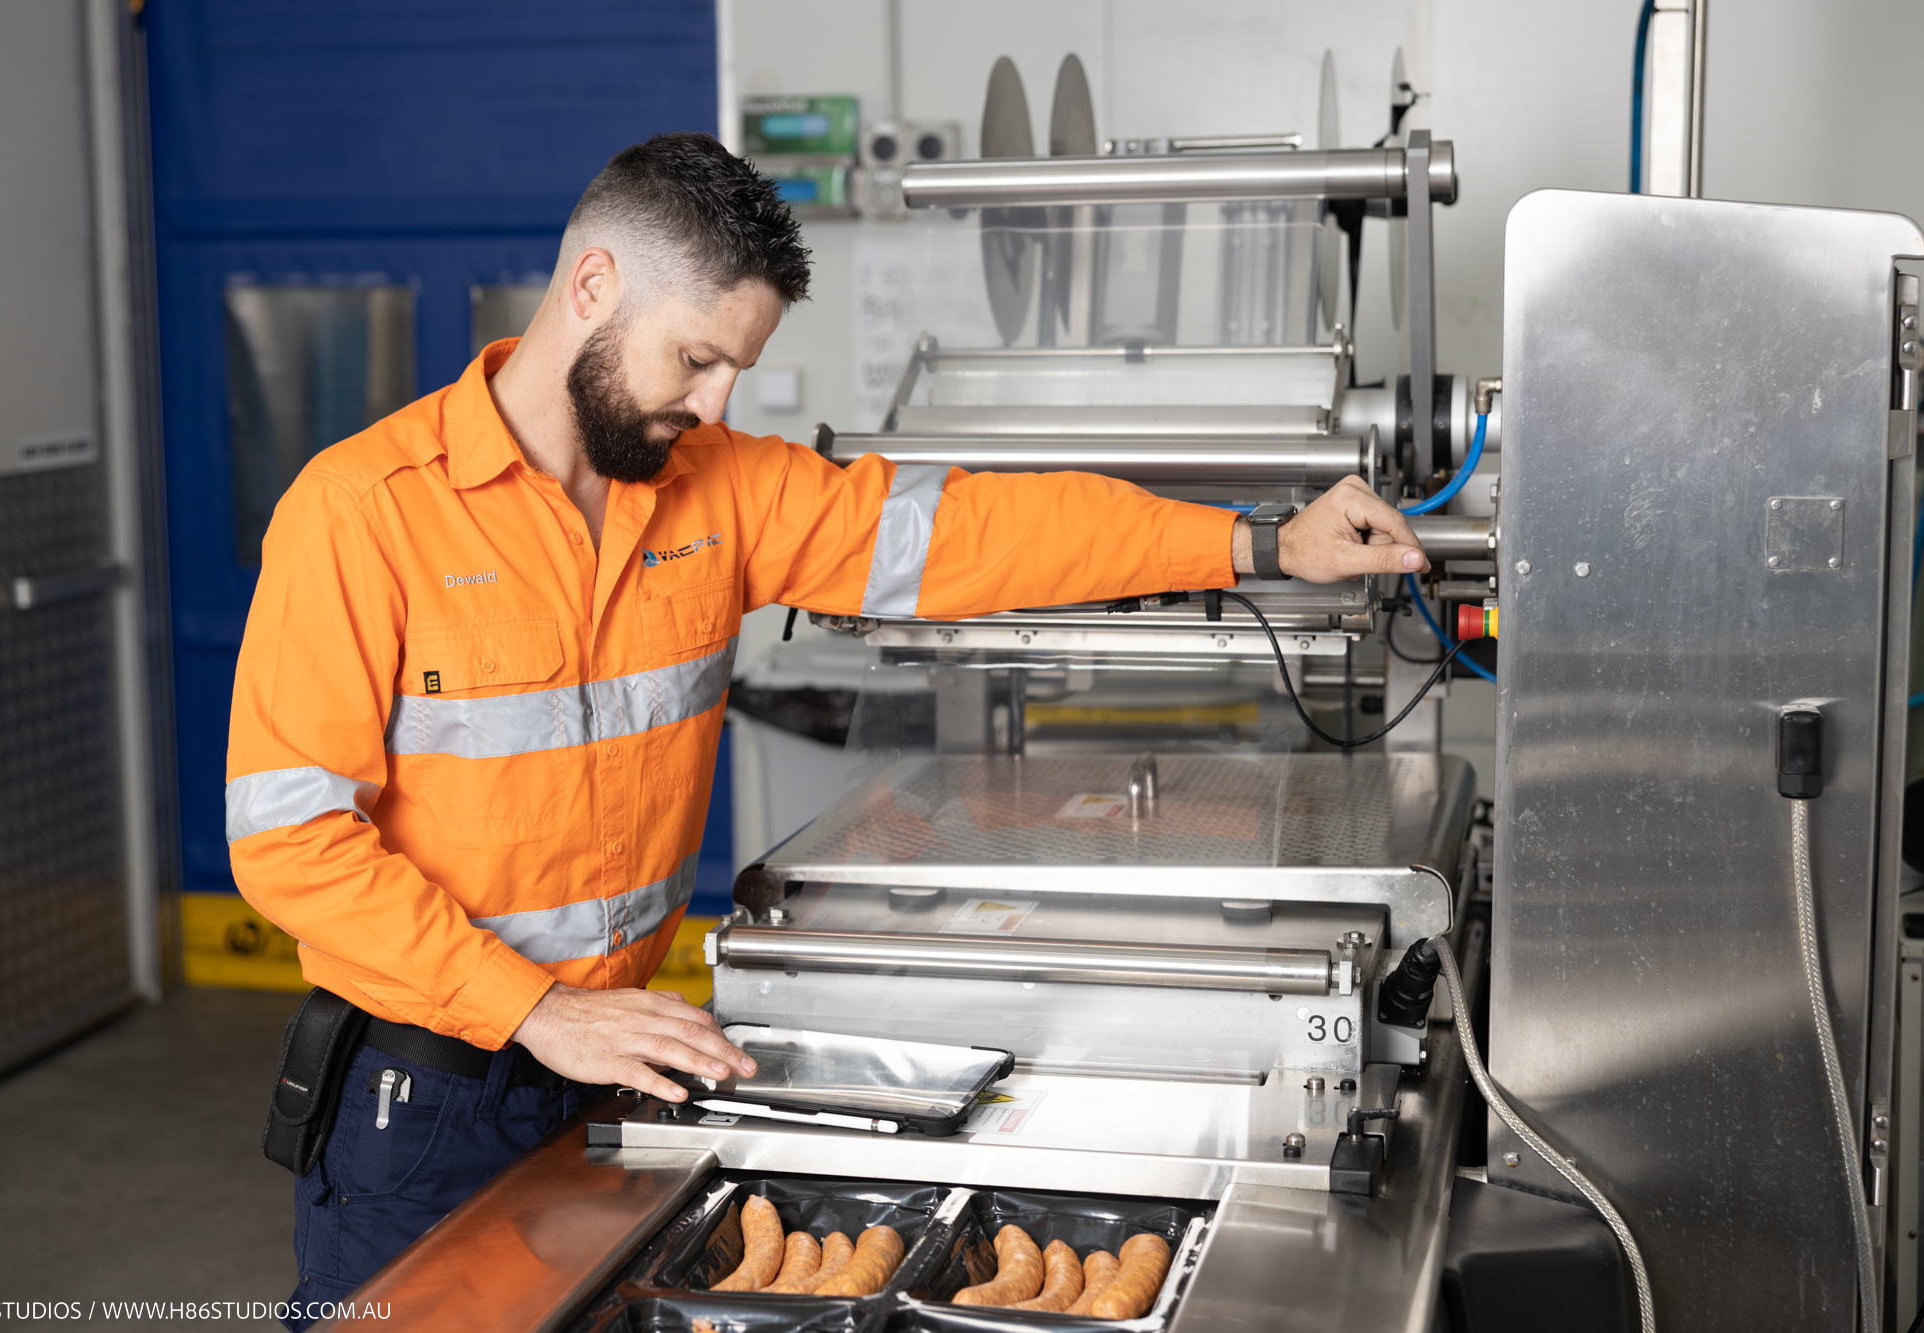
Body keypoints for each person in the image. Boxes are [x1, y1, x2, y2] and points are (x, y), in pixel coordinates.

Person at [226, 132, 1428, 1323]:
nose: (714, 402)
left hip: (622, 1074)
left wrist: (1257, 544)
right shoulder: (360, 517)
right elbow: (290, 844)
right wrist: (536, 1010)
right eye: (695, 358)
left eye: (734, 371)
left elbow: (978, 533)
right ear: (592, 286)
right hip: (426, 1097)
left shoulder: (717, 488)